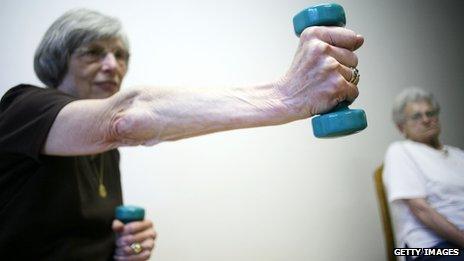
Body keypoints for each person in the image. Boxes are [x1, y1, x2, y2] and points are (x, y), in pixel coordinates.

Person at [0, 8, 363, 260]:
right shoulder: (24, 106)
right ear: (59, 59)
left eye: (120, 54)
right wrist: (287, 96)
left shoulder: (106, 151)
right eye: (94, 53)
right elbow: (124, 119)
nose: (113, 65)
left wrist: (126, 249)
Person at [383, 87, 464, 260]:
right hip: (426, 247)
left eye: (431, 113)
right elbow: (420, 209)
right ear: (400, 127)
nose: (427, 120)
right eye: (416, 116)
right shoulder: (401, 151)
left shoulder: (458, 154)